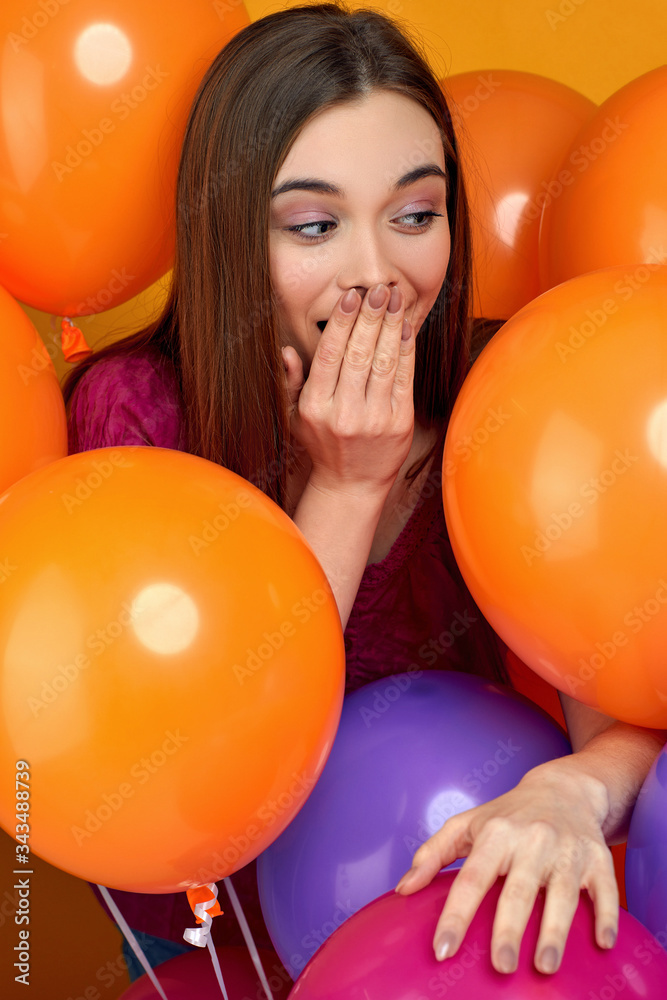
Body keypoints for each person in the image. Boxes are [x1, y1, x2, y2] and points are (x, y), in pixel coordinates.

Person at [63, 1, 665, 984]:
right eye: (313, 225)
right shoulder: (136, 420)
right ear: (228, 236)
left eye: (416, 215)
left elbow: (629, 699)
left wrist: (574, 788)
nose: (378, 273)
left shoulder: (513, 403)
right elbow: (195, 800)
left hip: (485, 946)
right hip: (222, 951)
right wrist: (346, 487)